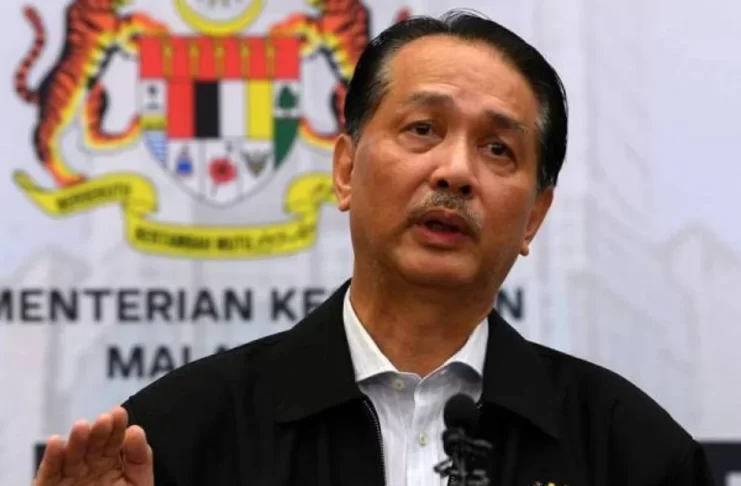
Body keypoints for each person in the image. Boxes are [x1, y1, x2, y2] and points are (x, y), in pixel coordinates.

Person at [32, 9, 715, 486]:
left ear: (535, 216)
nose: (454, 171)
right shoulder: (178, 436)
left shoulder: (631, 453)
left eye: (497, 149)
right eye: (422, 130)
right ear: (345, 171)